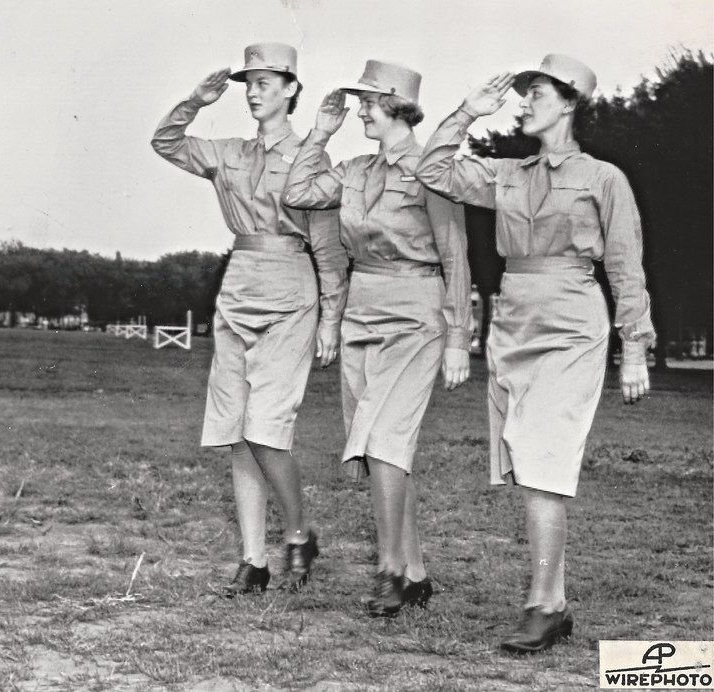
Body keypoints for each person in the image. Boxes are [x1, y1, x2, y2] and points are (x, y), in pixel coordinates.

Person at [415, 55, 653, 652]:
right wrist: (470, 110)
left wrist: (635, 348)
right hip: (514, 319)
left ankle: (544, 605)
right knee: (529, 462)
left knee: (544, 459)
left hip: (573, 320)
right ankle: (555, 600)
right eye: (520, 94)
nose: (522, 102)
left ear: (569, 102)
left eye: (535, 92)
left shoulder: (604, 178)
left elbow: (625, 266)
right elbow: (434, 169)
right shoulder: (506, 174)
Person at [151, 43, 348, 594]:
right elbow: (166, 142)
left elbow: (328, 247)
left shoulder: (311, 155)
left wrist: (332, 316)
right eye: (247, 84)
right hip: (238, 285)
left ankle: (300, 532)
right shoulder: (228, 151)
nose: (253, 91)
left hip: (290, 288)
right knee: (238, 431)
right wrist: (194, 101)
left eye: (265, 81)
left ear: (291, 89)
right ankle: (253, 559)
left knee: (266, 431)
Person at [283, 61, 472, 616]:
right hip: (363, 310)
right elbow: (297, 192)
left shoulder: (434, 170)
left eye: (366, 100)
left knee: (385, 438)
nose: (360, 109)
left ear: (395, 103)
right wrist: (319, 132)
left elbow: (456, 255)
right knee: (379, 447)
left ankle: (390, 569)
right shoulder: (355, 168)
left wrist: (459, 333)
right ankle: (414, 573)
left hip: (416, 310)